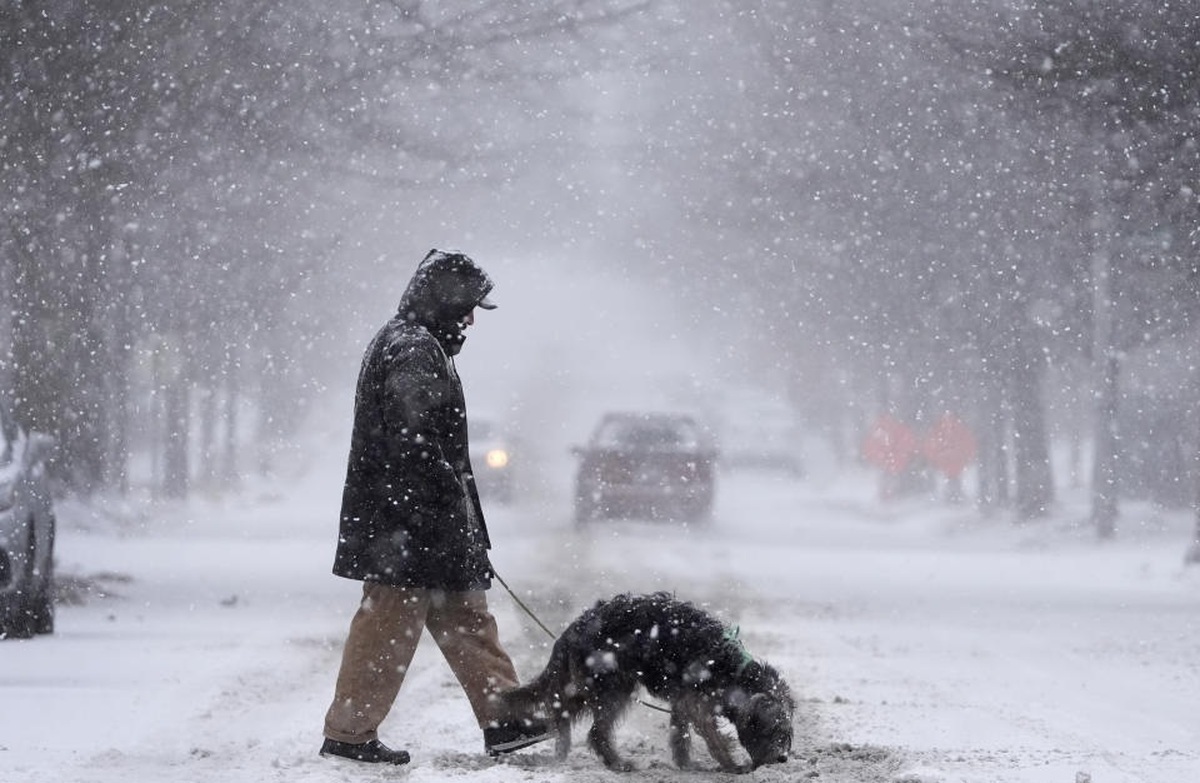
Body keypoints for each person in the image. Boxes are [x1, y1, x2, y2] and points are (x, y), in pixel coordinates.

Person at [320, 249, 550, 765]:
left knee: (465, 616)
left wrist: (457, 516)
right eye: (466, 307)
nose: (470, 319)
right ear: (441, 301)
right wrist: (444, 501)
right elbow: (413, 438)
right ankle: (349, 733)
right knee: (388, 625)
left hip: (423, 521)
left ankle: (505, 719)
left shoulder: (420, 344)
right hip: (406, 523)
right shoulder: (411, 349)